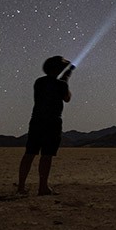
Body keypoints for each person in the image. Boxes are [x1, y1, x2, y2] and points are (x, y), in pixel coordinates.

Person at [17, 55, 73, 196]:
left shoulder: (39, 82)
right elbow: (67, 98)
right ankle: (43, 187)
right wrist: (66, 79)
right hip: (52, 122)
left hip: (36, 121)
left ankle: (21, 186)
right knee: (46, 155)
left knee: (29, 153)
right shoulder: (61, 84)